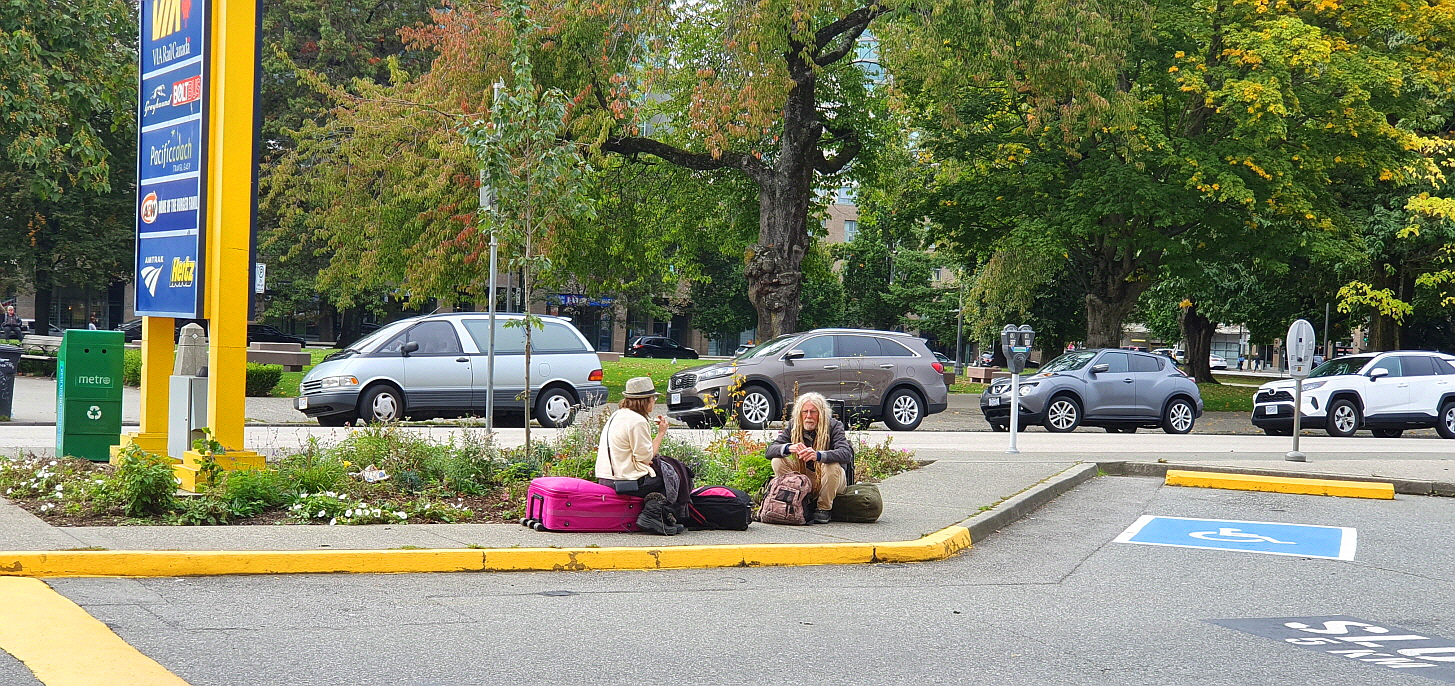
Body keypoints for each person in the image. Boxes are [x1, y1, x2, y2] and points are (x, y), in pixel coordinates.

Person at [595, 376, 683, 535]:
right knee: (669, 475)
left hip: (606, 477)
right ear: (645, 400)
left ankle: (659, 518)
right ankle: (651, 517)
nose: (654, 401)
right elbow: (646, 457)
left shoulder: (617, 415)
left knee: (661, 472)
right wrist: (661, 433)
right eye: (653, 398)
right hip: (622, 480)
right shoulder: (638, 421)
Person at [766, 392, 855, 524]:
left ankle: (824, 509)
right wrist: (789, 448)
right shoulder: (794, 425)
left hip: (831, 480)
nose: (808, 416)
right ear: (799, 413)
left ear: (821, 413)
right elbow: (770, 451)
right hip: (806, 477)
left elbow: (846, 454)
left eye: (813, 412)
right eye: (805, 412)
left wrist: (819, 455)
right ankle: (799, 499)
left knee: (831, 465)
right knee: (778, 461)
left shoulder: (834, 426)